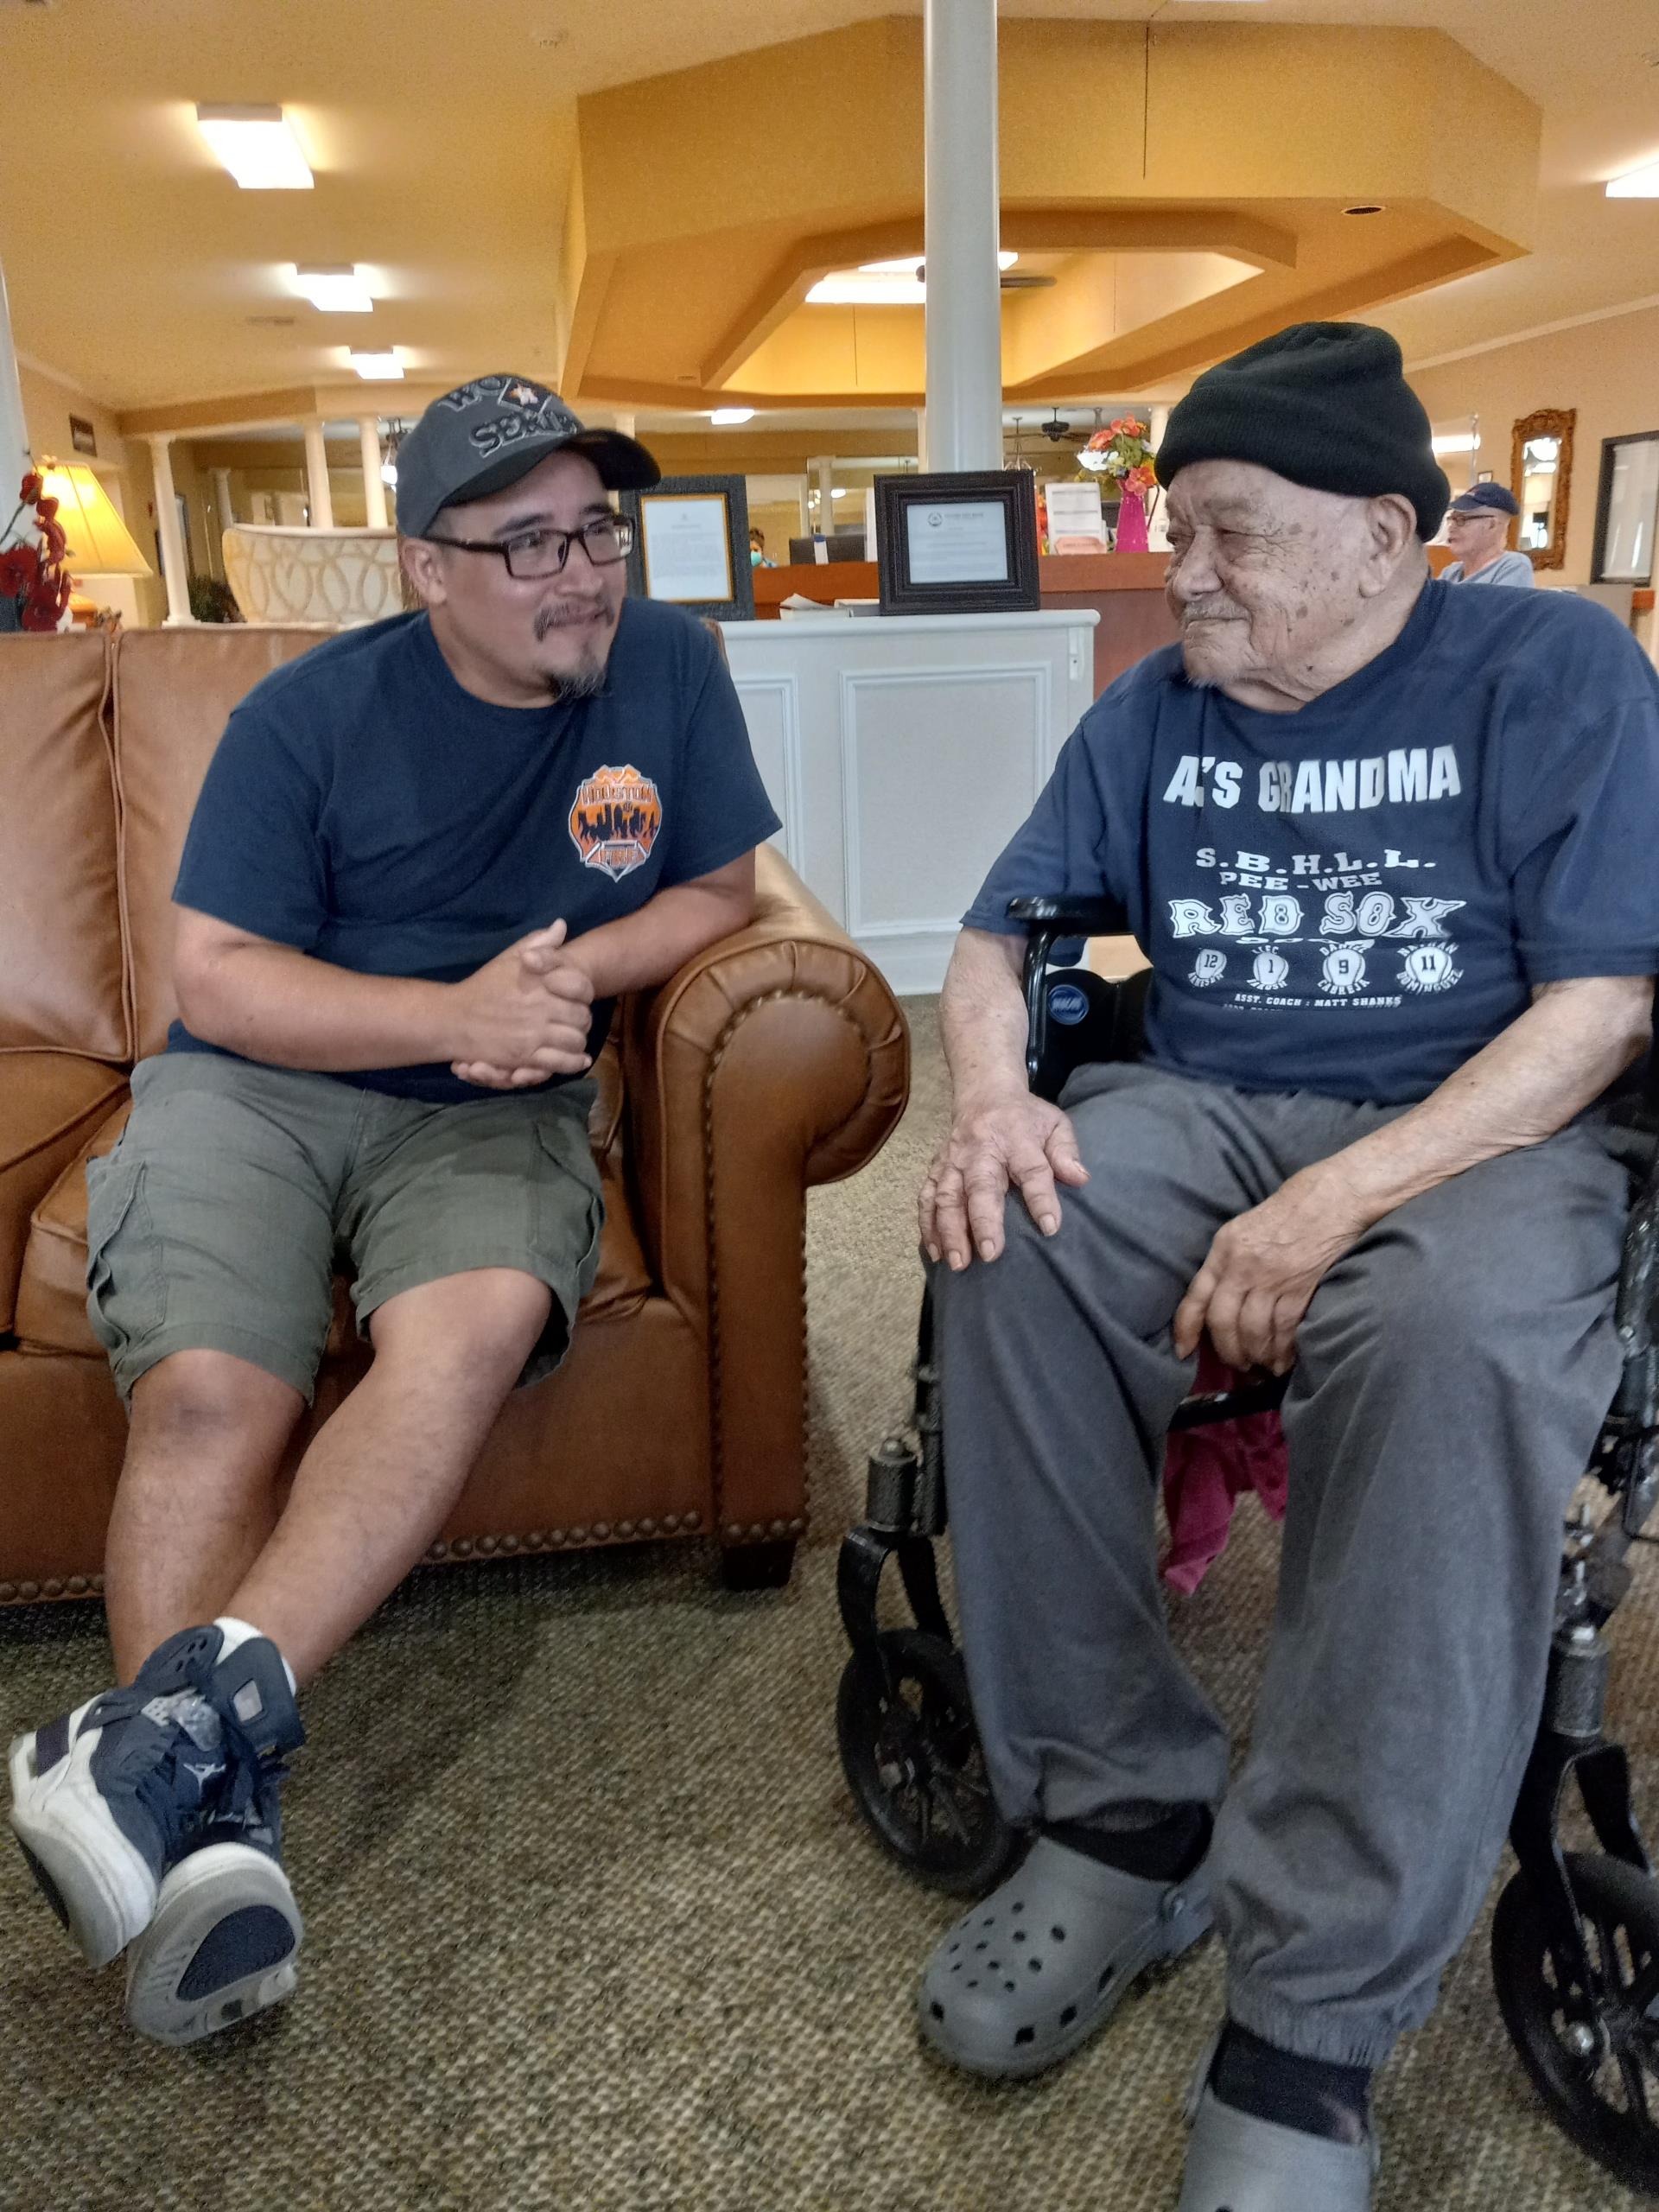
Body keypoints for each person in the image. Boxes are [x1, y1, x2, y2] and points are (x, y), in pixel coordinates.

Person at [912, 322, 1659, 2210]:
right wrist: (992, 1101)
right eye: (1181, 526)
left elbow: (1598, 1009)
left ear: (1388, 535)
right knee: (1018, 1228)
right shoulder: (1155, 706)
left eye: (1232, 531)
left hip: (1488, 1119)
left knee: (1446, 1328)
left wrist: (1331, 1211)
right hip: (1217, 1091)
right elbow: (995, 938)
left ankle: (1315, 2002)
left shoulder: (1551, 664)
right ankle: (1122, 1806)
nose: (1183, 571)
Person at [7, 375, 779, 2048]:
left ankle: (160, 1758)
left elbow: (720, 890)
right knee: (216, 1387)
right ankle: (215, 1832)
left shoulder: (672, 666)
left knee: (473, 1325)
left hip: (490, 1105)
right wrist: (453, 1013)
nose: (582, 575)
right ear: (426, 567)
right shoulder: (311, 715)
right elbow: (214, 973)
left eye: (597, 531)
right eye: (529, 545)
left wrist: (558, 980)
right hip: (264, 1080)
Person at [1440, 481, 1535, 586]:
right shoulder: (1450, 573)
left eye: (1461, 519)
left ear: (1491, 525)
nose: (1451, 527)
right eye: (1451, 519)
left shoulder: (1514, 566)